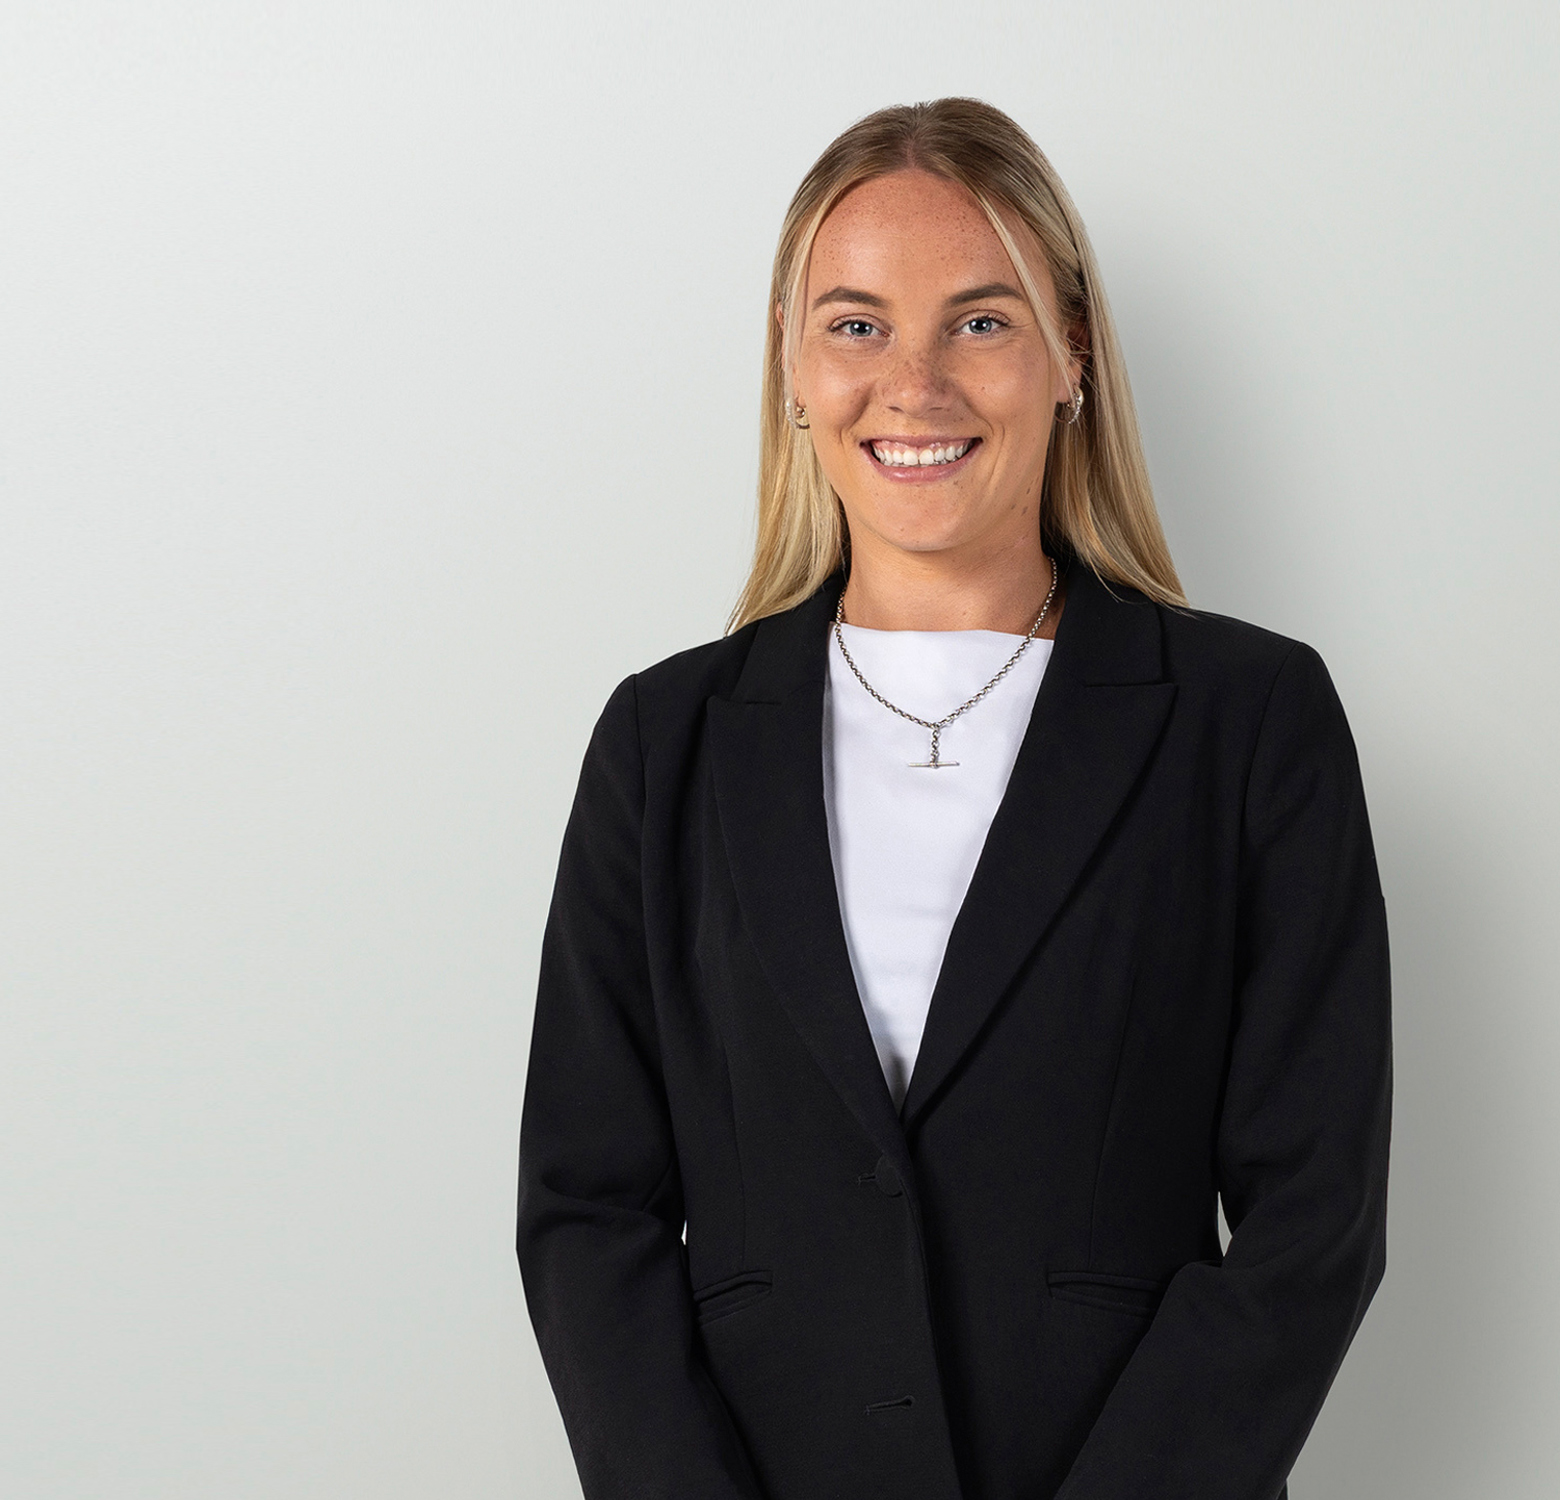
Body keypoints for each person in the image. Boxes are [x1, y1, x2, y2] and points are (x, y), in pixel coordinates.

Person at [516, 97, 1391, 1500]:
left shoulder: (1249, 723)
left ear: (1071, 353)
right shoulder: (662, 746)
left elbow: (1315, 1217)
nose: (912, 384)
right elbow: (585, 1209)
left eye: (979, 321)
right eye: (856, 325)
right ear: (793, 367)